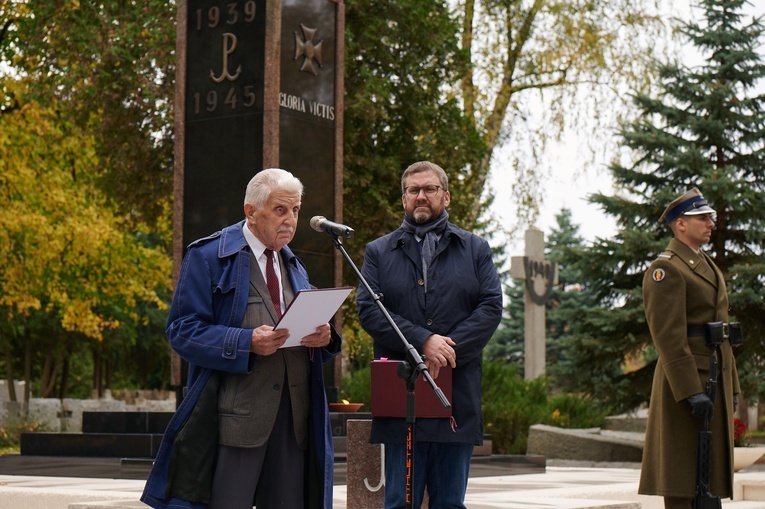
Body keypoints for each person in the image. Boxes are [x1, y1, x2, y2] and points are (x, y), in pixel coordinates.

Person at [141, 168, 341, 509]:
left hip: (295, 423)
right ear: (251, 211)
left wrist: (324, 337)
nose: (290, 220)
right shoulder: (208, 256)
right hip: (235, 422)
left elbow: (307, 332)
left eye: (296, 210)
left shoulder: (294, 265)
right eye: (281, 210)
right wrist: (245, 342)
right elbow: (181, 331)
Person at [356, 160, 503, 508]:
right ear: (404, 198)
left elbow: (490, 307)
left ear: (446, 196)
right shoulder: (378, 252)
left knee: (450, 503)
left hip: (455, 393)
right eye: (413, 190)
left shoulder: (475, 248)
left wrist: (447, 350)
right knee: (398, 503)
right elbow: (370, 310)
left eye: (430, 189)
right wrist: (423, 341)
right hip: (401, 391)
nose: (421, 196)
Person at [638, 187, 740, 509]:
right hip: (687, 385)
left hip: (712, 378)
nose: (711, 222)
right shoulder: (666, 268)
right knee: (684, 476)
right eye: (702, 218)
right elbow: (667, 336)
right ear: (680, 224)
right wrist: (689, 390)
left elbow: (720, 331)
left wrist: (732, 384)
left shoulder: (705, 264)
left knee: (707, 480)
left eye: (709, 217)